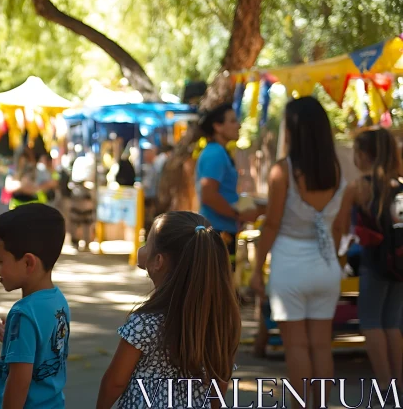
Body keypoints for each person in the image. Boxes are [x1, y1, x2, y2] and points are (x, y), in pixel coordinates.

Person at [249, 97, 348, 409]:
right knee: (321, 346)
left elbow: (272, 225)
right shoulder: (335, 170)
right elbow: (338, 228)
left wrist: (256, 269)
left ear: (294, 130)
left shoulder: (283, 171)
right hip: (326, 265)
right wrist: (334, 263)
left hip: (290, 267)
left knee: (296, 347)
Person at [96, 212, 240, 408]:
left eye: (147, 243)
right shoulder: (220, 322)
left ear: (158, 261)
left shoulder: (144, 323)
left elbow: (115, 383)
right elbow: (220, 383)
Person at [340, 128, 403, 394]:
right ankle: (398, 386)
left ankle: (385, 387)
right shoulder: (399, 185)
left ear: (364, 155)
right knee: (392, 324)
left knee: (371, 323)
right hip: (399, 266)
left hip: (372, 263)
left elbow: (342, 228)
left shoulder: (359, 187)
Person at [0, 204, 70, 409]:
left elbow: (19, 382)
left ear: (28, 263)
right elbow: (45, 353)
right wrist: (14, 343)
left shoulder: (23, 313)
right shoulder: (58, 301)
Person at [196, 103, 261, 265]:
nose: (238, 125)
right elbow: (209, 195)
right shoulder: (216, 153)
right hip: (217, 231)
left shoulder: (220, 152)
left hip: (221, 230)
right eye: (232, 121)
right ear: (217, 126)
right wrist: (239, 214)